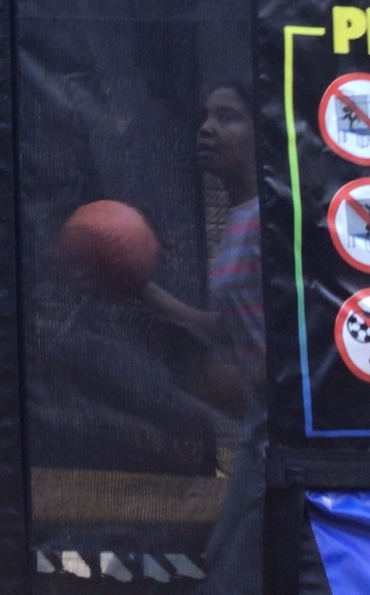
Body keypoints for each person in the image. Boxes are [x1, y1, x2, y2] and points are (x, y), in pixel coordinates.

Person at [140, 81, 265, 595]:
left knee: (238, 574)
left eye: (227, 117)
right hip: (261, 427)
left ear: (264, 134)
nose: (207, 129)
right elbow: (228, 325)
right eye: (206, 116)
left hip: (289, 431)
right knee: (224, 563)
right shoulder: (241, 219)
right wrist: (141, 289)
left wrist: (225, 381)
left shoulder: (275, 219)